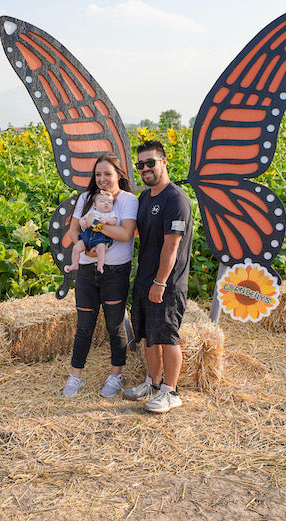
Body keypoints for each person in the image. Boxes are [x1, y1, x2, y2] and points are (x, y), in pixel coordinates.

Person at [122, 141, 193, 413]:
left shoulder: (175, 199)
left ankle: (171, 392)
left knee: (167, 336)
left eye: (150, 163)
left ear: (164, 161)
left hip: (167, 284)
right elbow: (136, 232)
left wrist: (160, 282)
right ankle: (153, 384)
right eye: (140, 165)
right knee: (149, 336)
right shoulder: (145, 198)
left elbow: (172, 245)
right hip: (145, 278)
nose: (145, 169)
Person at [62, 153, 138, 398]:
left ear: (119, 174)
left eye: (107, 173)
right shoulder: (86, 197)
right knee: (83, 325)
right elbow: (74, 228)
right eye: (98, 174)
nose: (102, 179)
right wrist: (84, 245)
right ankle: (75, 376)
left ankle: (116, 374)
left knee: (115, 325)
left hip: (115, 272)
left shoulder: (128, 200)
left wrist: (95, 225)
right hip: (85, 270)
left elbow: (126, 234)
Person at [65, 189, 117, 273]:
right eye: (102, 201)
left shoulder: (110, 214)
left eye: (110, 202)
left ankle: (100, 266)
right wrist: (82, 222)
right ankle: (75, 264)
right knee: (76, 248)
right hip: (87, 235)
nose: (106, 203)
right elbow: (84, 218)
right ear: (95, 205)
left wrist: (107, 220)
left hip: (100, 238)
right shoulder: (92, 212)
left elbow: (114, 221)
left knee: (101, 249)